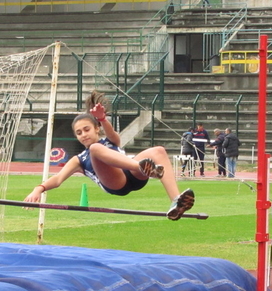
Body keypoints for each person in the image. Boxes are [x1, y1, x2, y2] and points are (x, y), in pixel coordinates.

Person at [24, 92, 195, 221]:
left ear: (96, 129)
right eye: (78, 133)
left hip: (133, 174)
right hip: (116, 183)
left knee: (158, 151)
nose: (83, 134)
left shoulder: (109, 140)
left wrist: (103, 119)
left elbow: (115, 138)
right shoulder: (79, 159)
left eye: (86, 129)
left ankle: (175, 201)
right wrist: (38, 189)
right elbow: (58, 179)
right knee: (95, 149)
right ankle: (145, 168)